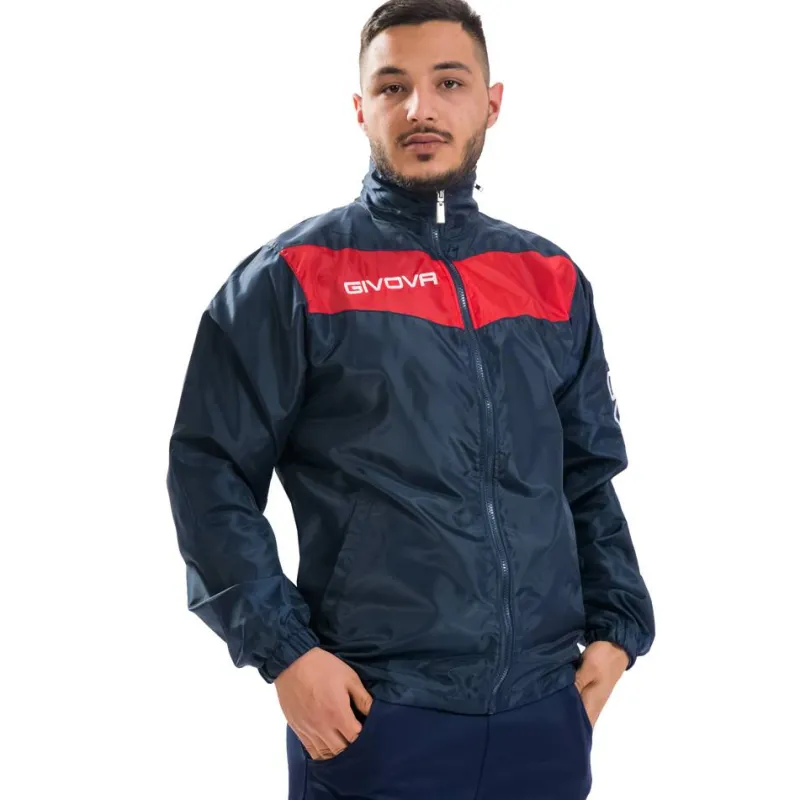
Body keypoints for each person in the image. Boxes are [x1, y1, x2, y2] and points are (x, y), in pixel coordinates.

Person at [165, 1, 655, 797]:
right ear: (361, 109)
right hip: (374, 716)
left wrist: (618, 631)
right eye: (393, 87)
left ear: (491, 101)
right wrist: (287, 655)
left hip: (545, 713)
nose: (421, 107)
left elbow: (588, 478)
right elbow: (208, 472)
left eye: (448, 82)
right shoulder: (294, 278)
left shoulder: (551, 280)